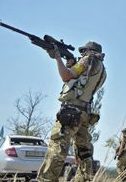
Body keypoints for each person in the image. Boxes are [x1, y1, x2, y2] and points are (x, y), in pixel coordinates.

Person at [37, 41, 106, 182]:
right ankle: (84, 179)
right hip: (84, 113)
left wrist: (57, 58)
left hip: (71, 112)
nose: (81, 55)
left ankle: (46, 180)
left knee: (58, 147)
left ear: (89, 51)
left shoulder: (88, 60)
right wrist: (71, 63)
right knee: (84, 151)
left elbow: (66, 76)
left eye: (83, 52)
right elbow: (82, 80)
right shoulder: (102, 69)